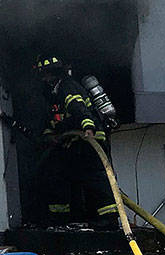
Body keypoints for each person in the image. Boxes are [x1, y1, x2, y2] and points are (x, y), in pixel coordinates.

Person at [32, 57, 116, 225]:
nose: (43, 79)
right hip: (74, 142)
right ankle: (60, 219)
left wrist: (88, 127)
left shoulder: (67, 87)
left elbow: (79, 108)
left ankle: (109, 219)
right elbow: (54, 120)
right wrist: (50, 136)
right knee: (58, 174)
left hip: (89, 140)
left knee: (95, 179)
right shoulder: (52, 94)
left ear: (52, 73)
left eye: (45, 74)